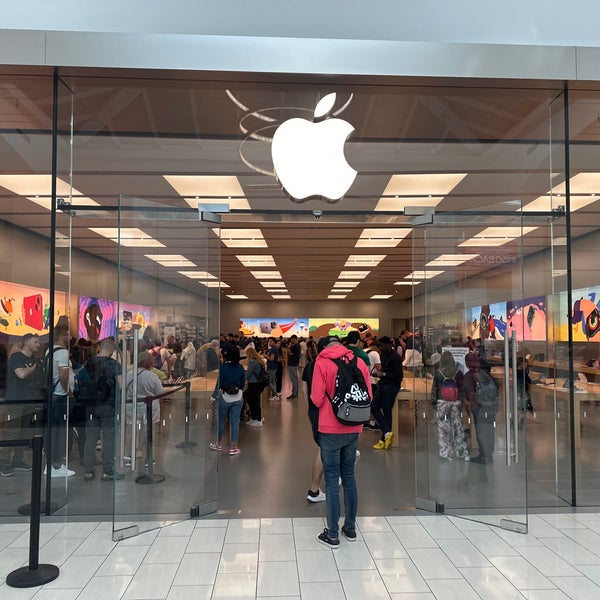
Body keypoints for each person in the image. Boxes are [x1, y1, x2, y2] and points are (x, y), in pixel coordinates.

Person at [311, 336, 371, 548]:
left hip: (330, 427)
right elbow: (368, 395)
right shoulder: (360, 362)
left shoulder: (322, 362)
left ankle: (333, 534)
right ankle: (351, 528)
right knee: (349, 476)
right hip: (354, 425)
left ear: (326, 347)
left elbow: (316, 399)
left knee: (332, 479)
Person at [81, 337, 124, 481]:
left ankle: (89, 470)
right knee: (109, 437)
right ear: (112, 350)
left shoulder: (88, 363)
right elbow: (121, 385)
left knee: (91, 437)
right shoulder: (114, 364)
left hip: (91, 405)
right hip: (108, 405)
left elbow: (80, 381)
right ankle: (107, 471)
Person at [1, 333, 41, 476]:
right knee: (13, 432)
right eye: (35, 342)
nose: (38, 344)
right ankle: (4, 463)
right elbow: (21, 374)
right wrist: (33, 368)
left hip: (28, 400)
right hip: (16, 401)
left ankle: (17, 460)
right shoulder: (16, 358)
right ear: (27, 343)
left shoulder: (34, 359)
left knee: (25, 431)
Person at [45, 326, 76, 477]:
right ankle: (56, 465)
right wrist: (68, 391)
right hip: (59, 395)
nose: (70, 338)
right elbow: (63, 375)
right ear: (62, 336)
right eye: (68, 334)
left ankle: (51, 462)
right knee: (59, 430)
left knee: (52, 429)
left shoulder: (49, 351)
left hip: (52, 394)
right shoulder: (63, 352)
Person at [125, 351, 165, 463]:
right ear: (150, 362)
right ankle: (149, 458)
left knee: (130, 431)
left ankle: (129, 457)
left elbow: (123, 389)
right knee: (149, 430)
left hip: (131, 406)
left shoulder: (129, 374)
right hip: (149, 407)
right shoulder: (152, 376)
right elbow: (160, 392)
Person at [301, 336, 328, 503]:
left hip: (314, 411)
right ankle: (314, 489)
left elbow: (305, 391)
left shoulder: (310, 366)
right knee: (324, 448)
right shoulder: (330, 366)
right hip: (328, 414)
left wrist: (311, 409)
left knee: (324, 447)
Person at [432, 350, 469, 461]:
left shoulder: (439, 373)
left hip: (442, 402)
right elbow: (462, 389)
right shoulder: (458, 373)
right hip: (455, 402)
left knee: (444, 429)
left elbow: (434, 389)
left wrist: (434, 403)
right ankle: (462, 451)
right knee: (458, 428)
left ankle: (446, 452)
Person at [462, 352, 498, 465]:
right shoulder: (484, 372)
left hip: (479, 407)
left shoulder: (469, 375)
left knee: (481, 432)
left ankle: (483, 456)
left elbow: (469, 392)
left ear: (467, 363)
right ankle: (489, 454)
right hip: (491, 406)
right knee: (490, 431)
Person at [210, 345, 245, 455]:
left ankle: (219, 444)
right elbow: (243, 383)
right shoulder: (240, 367)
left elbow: (218, 384)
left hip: (225, 397)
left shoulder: (223, 367)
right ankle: (233, 447)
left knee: (221, 420)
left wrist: (213, 396)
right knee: (235, 422)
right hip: (238, 397)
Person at [371, 336, 404, 450]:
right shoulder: (383, 354)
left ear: (388, 344)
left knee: (386, 411)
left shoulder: (396, 358)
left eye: (382, 345)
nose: (380, 347)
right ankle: (386, 433)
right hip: (382, 385)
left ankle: (384, 439)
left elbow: (399, 376)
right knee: (374, 407)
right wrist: (378, 373)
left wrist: (383, 374)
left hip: (391, 387)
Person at [245, 347, 265, 426]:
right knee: (254, 401)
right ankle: (255, 418)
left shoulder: (252, 362)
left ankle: (257, 419)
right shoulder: (258, 361)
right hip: (258, 383)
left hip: (253, 383)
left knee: (253, 401)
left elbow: (248, 374)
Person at [286, 334, 301, 399]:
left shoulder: (295, 346)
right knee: (295, 379)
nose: (291, 340)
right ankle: (295, 392)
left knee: (293, 379)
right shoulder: (298, 346)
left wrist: (289, 349)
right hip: (295, 364)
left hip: (292, 364)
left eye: (292, 339)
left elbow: (289, 352)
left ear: (294, 339)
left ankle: (294, 393)